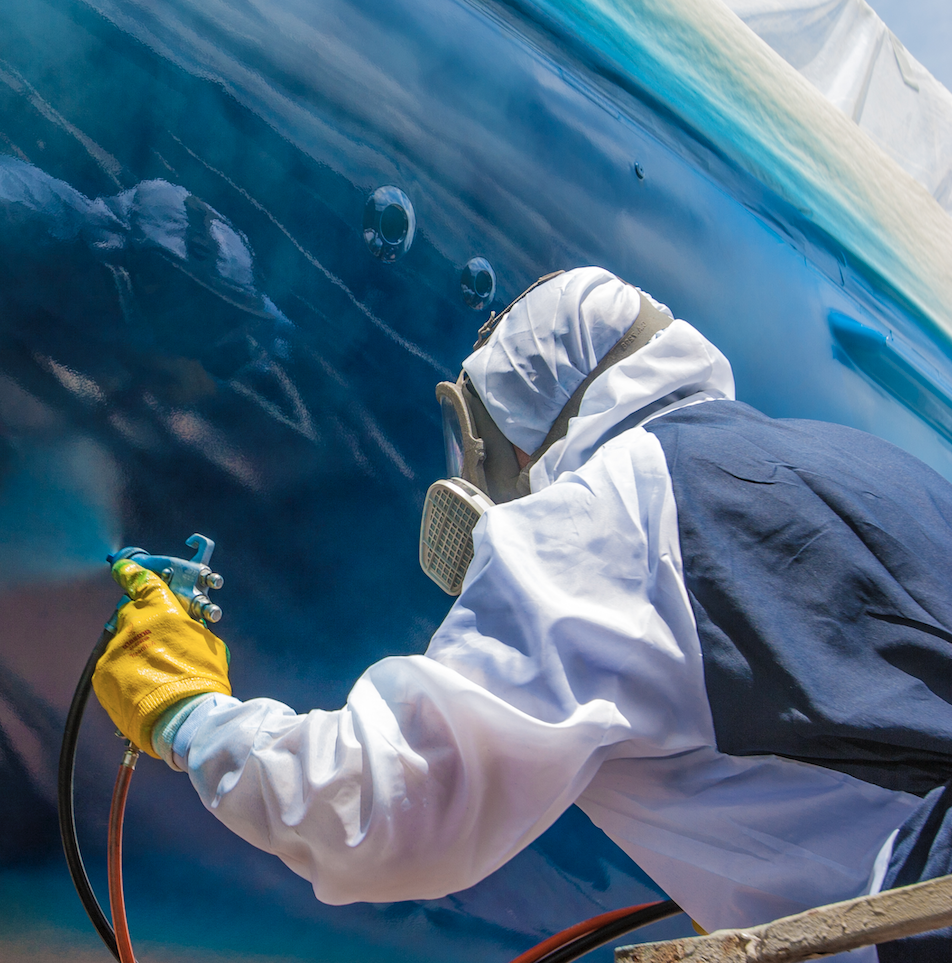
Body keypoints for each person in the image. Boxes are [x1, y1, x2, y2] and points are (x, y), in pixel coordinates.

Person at [92, 266, 952, 962]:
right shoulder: (868, 466)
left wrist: (188, 709)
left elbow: (377, 806)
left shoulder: (611, 511)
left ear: (515, 424)